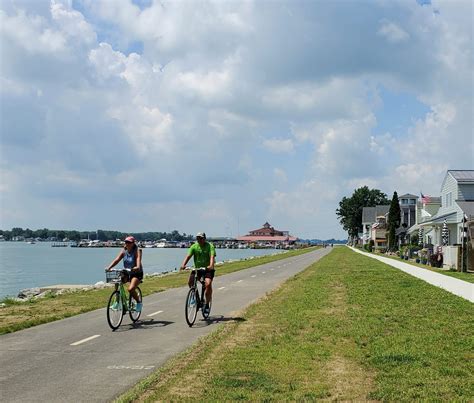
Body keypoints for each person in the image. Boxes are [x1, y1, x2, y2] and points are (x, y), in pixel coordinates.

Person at [180, 232, 216, 316]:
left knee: (208, 284)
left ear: (204, 239)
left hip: (207, 269)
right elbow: (188, 256)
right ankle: (196, 298)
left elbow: (212, 257)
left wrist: (211, 265)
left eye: (201, 238)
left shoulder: (210, 246)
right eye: (198, 238)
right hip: (197, 269)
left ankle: (207, 304)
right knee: (190, 282)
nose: (199, 240)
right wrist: (183, 265)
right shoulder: (194, 246)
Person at [106, 236, 143, 311]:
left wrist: (137, 266)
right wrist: (109, 267)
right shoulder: (123, 251)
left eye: (129, 242)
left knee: (130, 289)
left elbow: (138, 258)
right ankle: (117, 302)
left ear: (133, 243)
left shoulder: (137, 250)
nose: (127, 243)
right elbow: (117, 260)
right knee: (117, 281)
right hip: (127, 271)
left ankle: (139, 302)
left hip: (136, 272)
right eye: (126, 242)